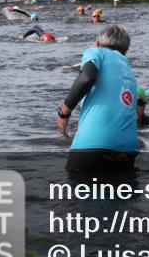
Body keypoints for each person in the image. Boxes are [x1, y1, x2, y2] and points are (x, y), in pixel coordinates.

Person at [56, 25, 139, 174]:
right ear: (125, 51)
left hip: (93, 145)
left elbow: (87, 78)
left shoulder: (95, 52)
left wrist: (64, 112)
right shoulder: (127, 67)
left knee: (77, 186)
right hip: (128, 149)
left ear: (97, 44)